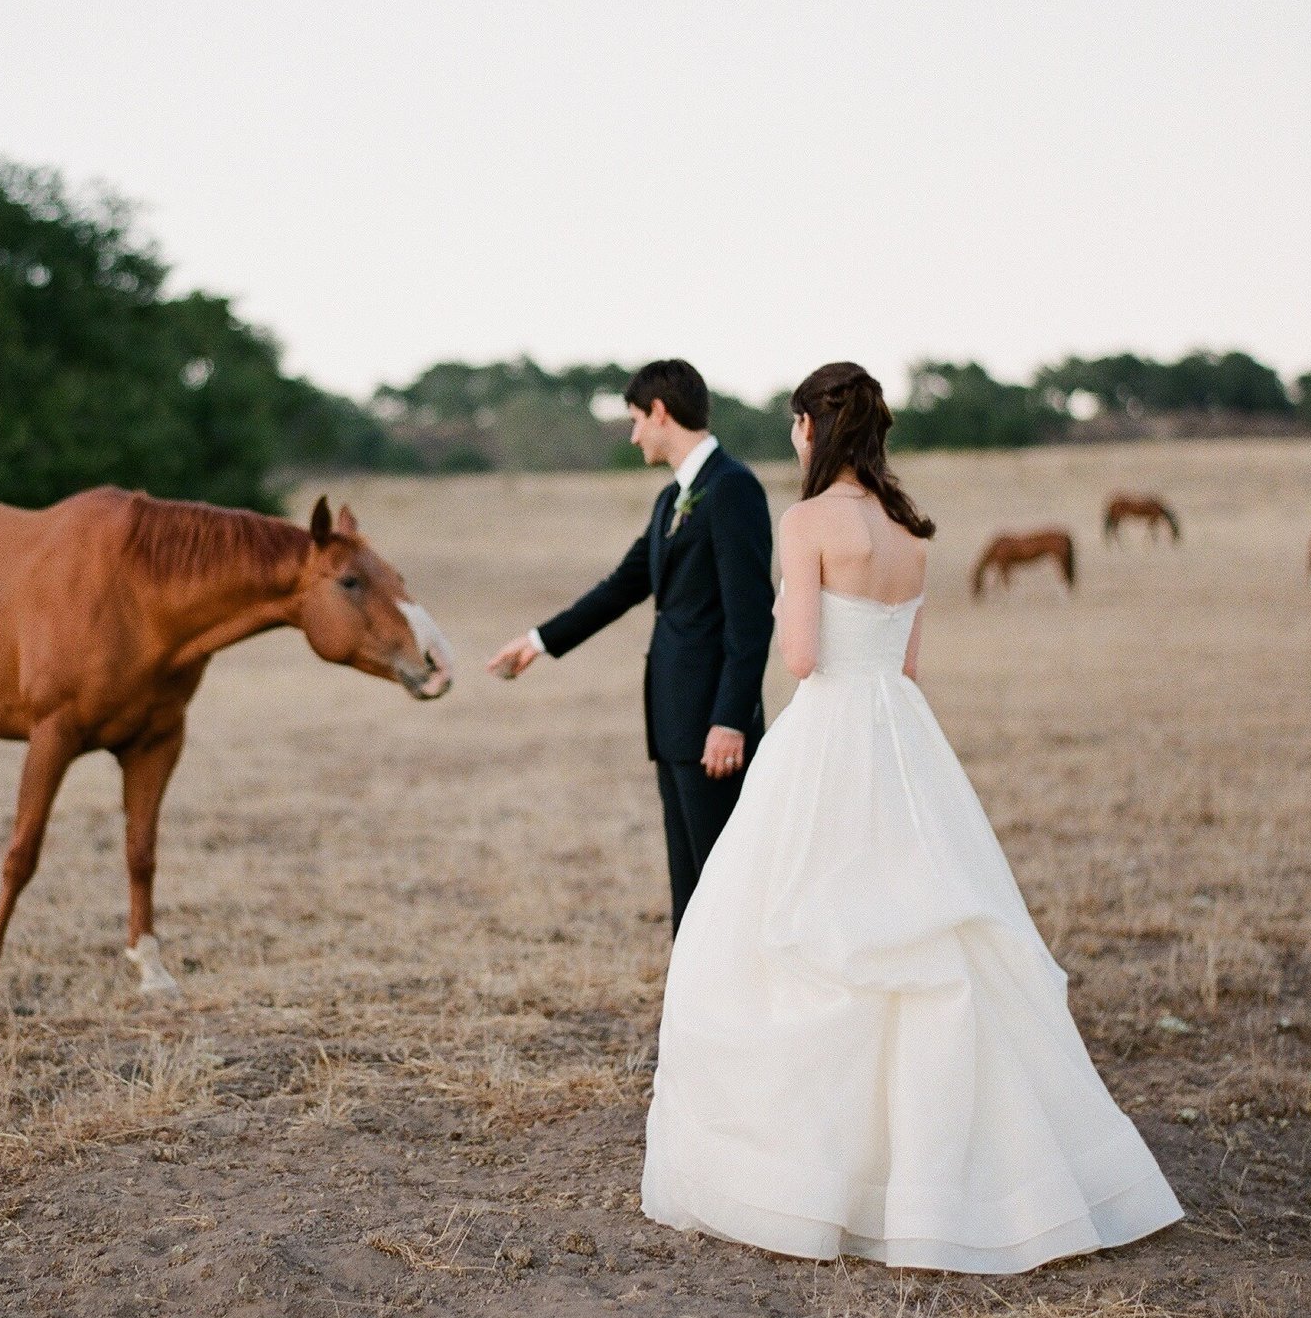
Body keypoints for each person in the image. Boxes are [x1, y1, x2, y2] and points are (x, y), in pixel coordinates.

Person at [640, 361, 1182, 1271]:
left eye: (795, 425)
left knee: (798, 928)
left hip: (830, 732)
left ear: (815, 427)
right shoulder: (911, 531)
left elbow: (803, 655)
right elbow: (909, 667)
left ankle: (819, 1171)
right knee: (925, 933)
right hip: (903, 737)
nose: (792, 439)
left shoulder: (807, 521)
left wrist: (786, 607)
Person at [486, 359, 774, 932]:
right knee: (689, 888)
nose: (634, 432)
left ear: (662, 413)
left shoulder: (732, 488)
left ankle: (739, 1013)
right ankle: (694, 1012)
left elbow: (751, 620)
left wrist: (730, 720)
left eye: (637, 419)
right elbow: (622, 586)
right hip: (671, 720)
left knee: (726, 883)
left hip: (714, 731)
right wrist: (539, 641)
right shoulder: (672, 500)